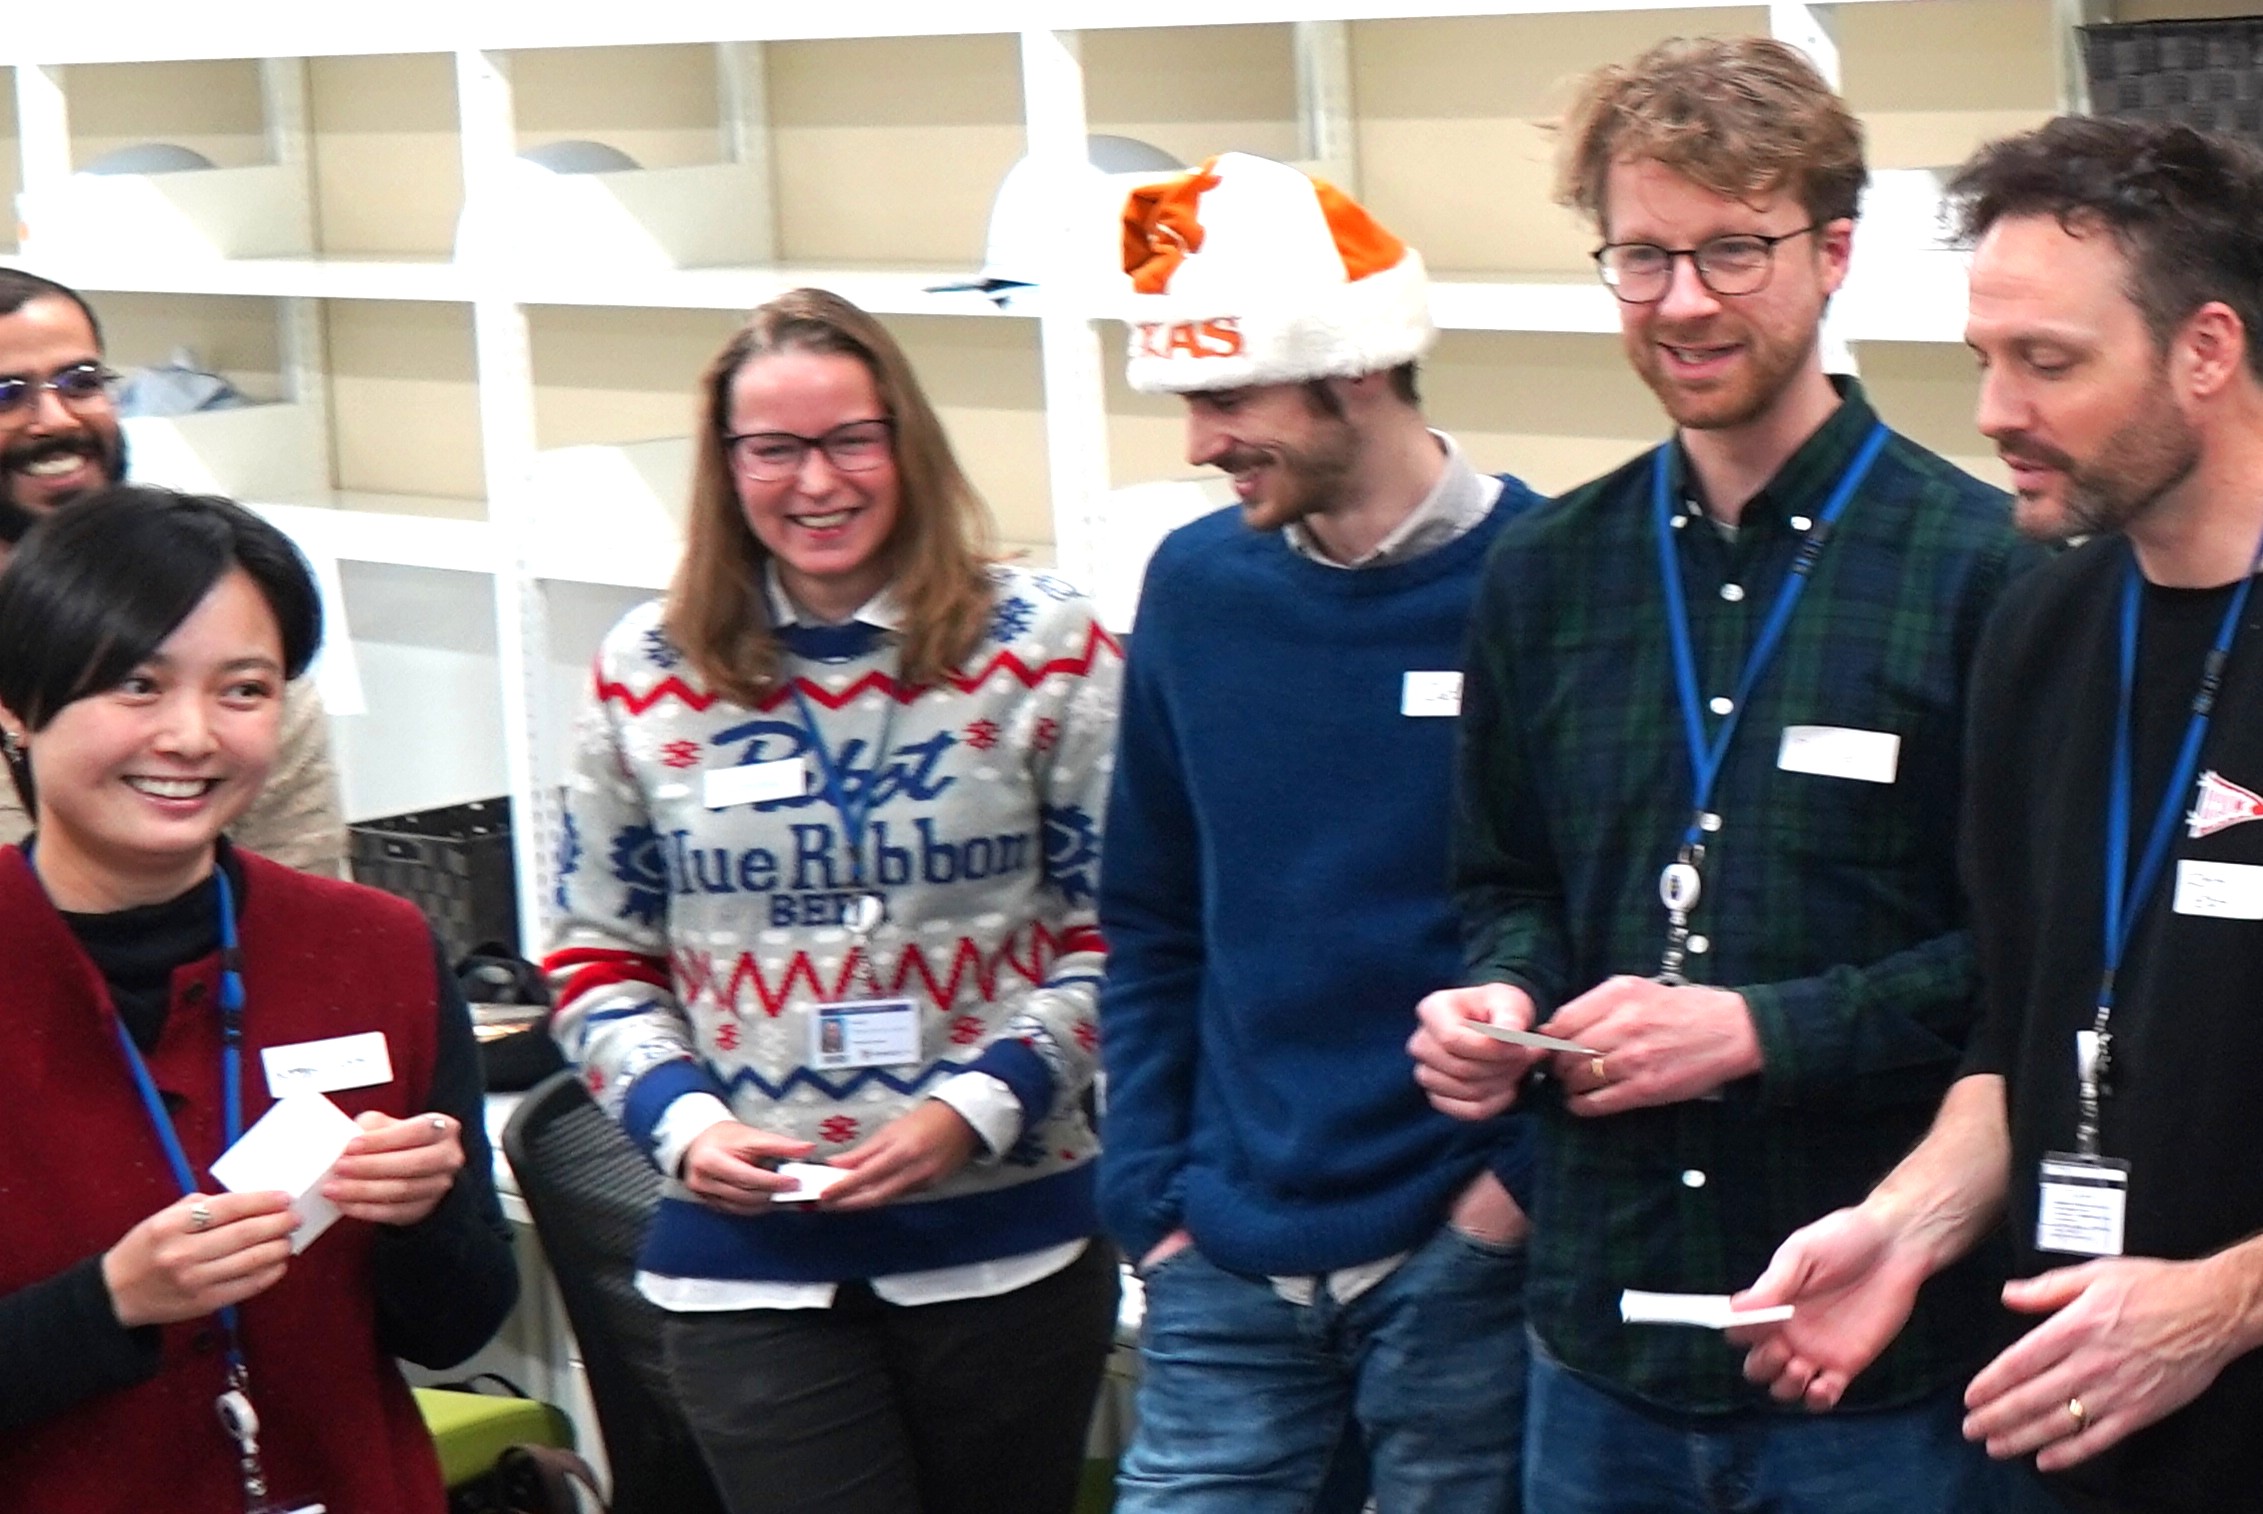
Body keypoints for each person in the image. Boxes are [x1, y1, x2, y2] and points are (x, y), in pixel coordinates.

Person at [1404, 37, 2033, 1511]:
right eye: (1642, 255)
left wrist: (1760, 1029)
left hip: (1878, 1367)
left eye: (1732, 250)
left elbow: (2031, 964)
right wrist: (1499, 1001)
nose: (1682, 300)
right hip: (1599, 1346)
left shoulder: (1990, 573)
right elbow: (1506, 880)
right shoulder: (1543, 571)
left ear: (1832, 255)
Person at [1734, 115, 2263, 1514]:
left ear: (2204, 351)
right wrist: (1905, 1223)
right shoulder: (2039, 625)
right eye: (1984, 358)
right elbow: (2016, 1025)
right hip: (2061, 1429)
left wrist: (2222, 1299)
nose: (1992, 411)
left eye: (2047, 362)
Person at [545, 287, 1122, 1514]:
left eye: (852, 440)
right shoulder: (644, 668)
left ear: (907, 443)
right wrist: (684, 1123)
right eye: (774, 449)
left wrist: (978, 1104)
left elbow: (1123, 929)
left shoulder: (1046, 643)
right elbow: (595, 956)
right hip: (747, 1259)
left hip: (1004, 1242)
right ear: (726, 465)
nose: (817, 481)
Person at [1099, 151, 1543, 1514]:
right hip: (1222, 1247)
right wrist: (1150, 1203)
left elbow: (1606, 917)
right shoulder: (1195, 586)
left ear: (1352, 371)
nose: (1197, 444)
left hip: (1465, 1249)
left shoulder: (1547, 580)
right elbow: (1150, 915)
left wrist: (1508, 1198)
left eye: (1227, 399)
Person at [0, 483, 517, 1512]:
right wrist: (108, 1304)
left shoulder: (376, 949)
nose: (192, 735)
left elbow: (456, 1329)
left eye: (243, 689)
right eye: (138, 685)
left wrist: (423, 1217)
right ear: (17, 702)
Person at [0, 268, 348, 877]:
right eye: (7, 393)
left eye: (80, 382)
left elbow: (303, 901)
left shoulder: (227, 627)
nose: (55, 419)